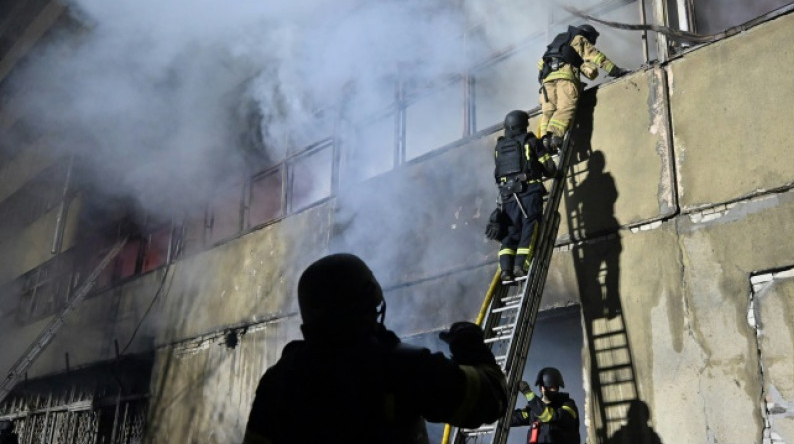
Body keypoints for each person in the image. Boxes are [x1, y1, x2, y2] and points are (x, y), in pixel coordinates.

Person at [243, 253, 508, 444]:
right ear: (370, 304)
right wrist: (471, 347)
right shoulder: (399, 367)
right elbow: (491, 399)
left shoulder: (278, 382)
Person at [485, 110, 557, 283]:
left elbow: (497, 173)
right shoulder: (531, 141)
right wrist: (555, 173)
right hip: (529, 194)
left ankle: (506, 269)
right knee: (529, 229)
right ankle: (521, 265)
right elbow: (549, 167)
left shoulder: (499, 147)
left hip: (507, 197)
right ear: (523, 125)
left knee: (509, 234)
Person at [537, 24, 629, 151]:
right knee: (566, 107)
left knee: (548, 110)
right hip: (565, 78)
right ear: (587, 35)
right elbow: (597, 57)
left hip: (547, 81)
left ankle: (544, 139)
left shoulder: (558, 41)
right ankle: (556, 136)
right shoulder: (579, 39)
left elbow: (541, 63)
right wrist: (615, 71)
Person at [510, 367, 580, 444]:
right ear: (541, 388)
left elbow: (550, 416)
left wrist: (528, 393)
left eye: (555, 387)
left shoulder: (568, 405)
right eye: (550, 387)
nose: (553, 390)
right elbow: (513, 418)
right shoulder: (535, 408)